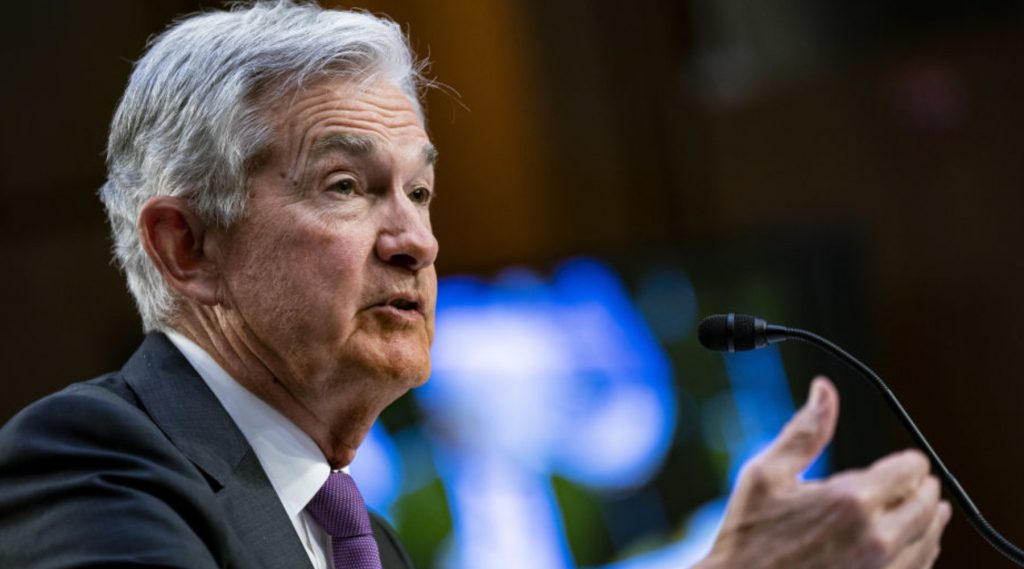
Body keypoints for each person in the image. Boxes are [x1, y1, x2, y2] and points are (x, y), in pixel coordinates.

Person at [0, 2, 950, 568]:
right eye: (346, 186)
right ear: (187, 247)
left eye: (419, 191)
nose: (416, 240)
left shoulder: (366, 539)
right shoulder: (90, 463)